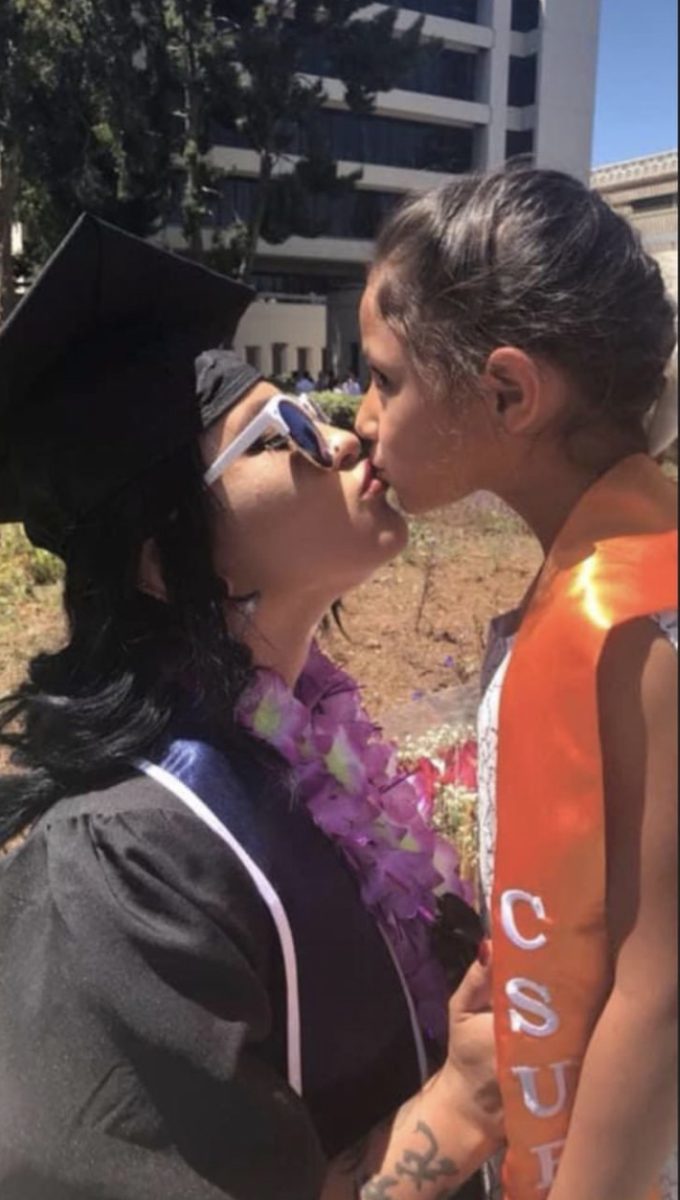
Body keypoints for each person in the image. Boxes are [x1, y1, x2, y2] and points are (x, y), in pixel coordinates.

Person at [0, 214, 502, 1199]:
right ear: (159, 553)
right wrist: (466, 1101)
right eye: (283, 432)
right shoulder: (116, 877)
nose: (346, 432)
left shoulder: (315, 755)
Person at [355, 167, 678, 1200]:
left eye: (384, 379)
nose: (362, 418)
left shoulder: (638, 621)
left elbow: (658, 989)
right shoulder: (593, 565)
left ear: (506, 393)